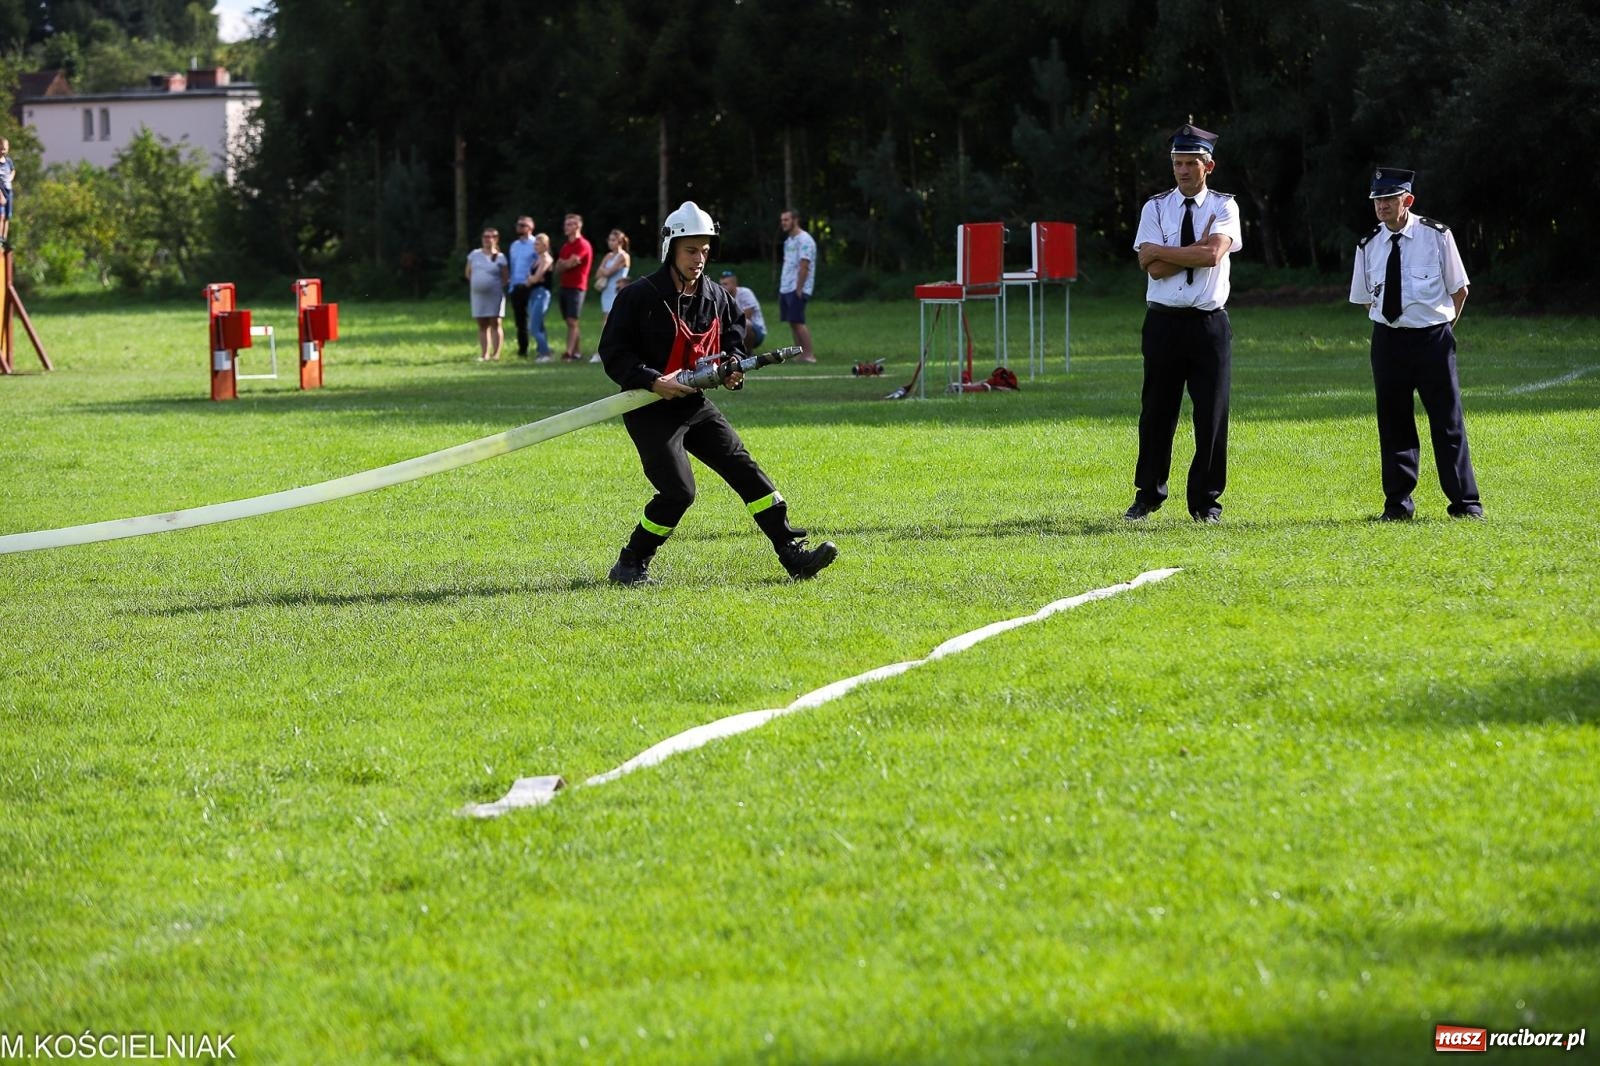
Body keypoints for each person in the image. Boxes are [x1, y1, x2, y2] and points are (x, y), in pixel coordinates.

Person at [598, 200, 838, 586]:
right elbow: (614, 353)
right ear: (671, 249)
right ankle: (630, 564)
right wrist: (654, 380)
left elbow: (733, 339)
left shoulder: (717, 296)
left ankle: (793, 555)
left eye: (704, 251)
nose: (699, 259)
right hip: (649, 406)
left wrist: (733, 370)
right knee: (678, 491)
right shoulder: (638, 297)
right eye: (691, 250)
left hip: (694, 405)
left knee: (746, 472)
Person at [1125, 123, 1243, 524]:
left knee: (1210, 414)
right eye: (1177, 163)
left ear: (1208, 166)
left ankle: (1205, 502)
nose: (1182, 170)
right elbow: (1152, 268)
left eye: (1191, 163)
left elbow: (1213, 256)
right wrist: (1193, 250)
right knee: (1156, 411)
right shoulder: (1155, 207)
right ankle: (1148, 494)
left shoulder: (1225, 207)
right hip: (1163, 322)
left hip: (1208, 323)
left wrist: (1167, 250)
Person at [1350, 167, 1483, 521]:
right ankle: (1397, 505)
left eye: (1389, 199)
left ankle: (1465, 504)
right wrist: (1396, 324)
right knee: (1393, 423)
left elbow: (1460, 290)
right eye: (1377, 200)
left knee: (1447, 421)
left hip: (1432, 340)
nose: (1382, 206)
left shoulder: (1436, 236)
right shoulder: (1368, 244)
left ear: (1406, 200)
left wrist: (1439, 328)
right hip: (1389, 341)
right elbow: (1366, 297)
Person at [464, 227, 509, 361]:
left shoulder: (500, 257)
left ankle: (496, 354)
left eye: (491, 237)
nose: (487, 239)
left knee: (495, 322)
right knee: (482, 324)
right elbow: (468, 273)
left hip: (495, 294)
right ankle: (484, 354)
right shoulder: (474, 254)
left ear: (496, 239)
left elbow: (505, 277)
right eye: (485, 237)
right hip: (478, 295)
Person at [778, 208, 816, 362]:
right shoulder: (788, 241)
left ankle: (809, 355)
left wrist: (799, 289)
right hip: (786, 287)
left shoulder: (805, 240)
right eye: (782, 220)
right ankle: (799, 354)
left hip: (798, 288)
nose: (783, 223)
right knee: (792, 322)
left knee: (798, 321)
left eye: (786, 220)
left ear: (795, 220)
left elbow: (804, 265)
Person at [554, 213, 594, 361]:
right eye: (566, 224)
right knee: (569, 321)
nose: (566, 227)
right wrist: (565, 263)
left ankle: (569, 353)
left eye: (569, 224)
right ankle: (577, 352)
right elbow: (558, 267)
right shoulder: (566, 246)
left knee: (572, 320)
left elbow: (571, 263)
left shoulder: (583, 244)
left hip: (577, 287)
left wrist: (564, 263)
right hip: (565, 285)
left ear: (577, 226)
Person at [506, 215, 539, 357]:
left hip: (530, 286)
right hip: (515, 286)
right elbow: (512, 266)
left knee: (534, 319)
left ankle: (541, 349)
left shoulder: (536, 244)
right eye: (518, 225)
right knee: (520, 321)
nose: (519, 227)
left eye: (523, 225)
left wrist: (532, 280)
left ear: (531, 228)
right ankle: (523, 350)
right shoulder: (514, 245)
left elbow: (541, 264)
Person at [719, 270, 767, 348]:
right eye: (721, 284)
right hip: (732, 328)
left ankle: (747, 355)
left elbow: (746, 317)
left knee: (745, 324)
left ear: (734, 284)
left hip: (756, 330)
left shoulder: (745, 293)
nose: (722, 287)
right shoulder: (722, 297)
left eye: (725, 284)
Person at [528, 232, 556, 362]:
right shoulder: (537, 259)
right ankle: (541, 352)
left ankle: (546, 353)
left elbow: (535, 278)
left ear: (545, 245)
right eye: (535, 244)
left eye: (538, 244)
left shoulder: (546, 259)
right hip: (533, 293)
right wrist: (531, 279)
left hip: (542, 294)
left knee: (533, 327)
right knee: (539, 326)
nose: (535, 246)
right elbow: (531, 279)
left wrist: (532, 279)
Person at [0, 137, 13, 250]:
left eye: (5, 148)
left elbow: (13, 170)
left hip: (9, 190)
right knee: (1, 216)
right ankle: (0, 238)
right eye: (1, 149)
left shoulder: (8, 161)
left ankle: (4, 238)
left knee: (7, 216)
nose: (3, 151)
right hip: (1, 191)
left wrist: (11, 177)